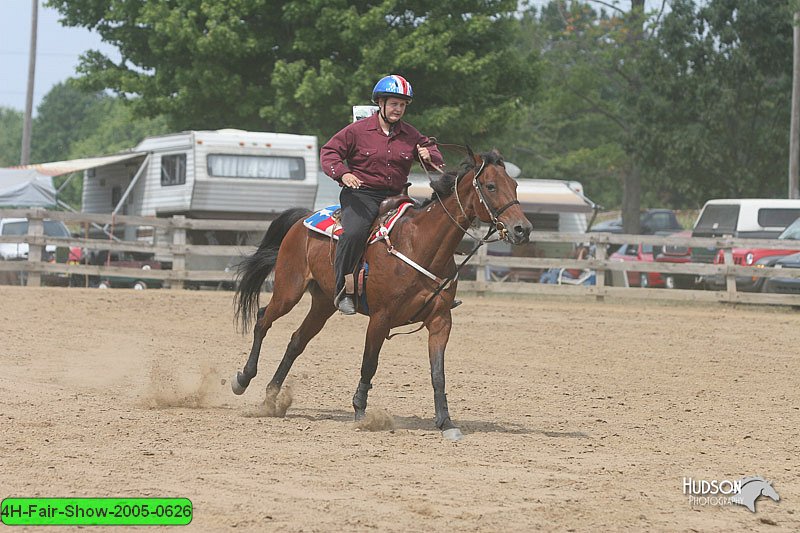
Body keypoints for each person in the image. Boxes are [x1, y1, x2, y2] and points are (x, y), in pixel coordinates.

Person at [320, 74, 444, 314]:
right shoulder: (356, 131)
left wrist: (430, 157)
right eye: (394, 103)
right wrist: (343, 174)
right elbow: (329, 153)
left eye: (402, 105)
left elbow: (435, 158)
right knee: (354, 233)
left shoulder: (412, 135)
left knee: (427, 229)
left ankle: (433, 289)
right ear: (381, 103)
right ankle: (342, 291)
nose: (398, 109)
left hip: (398, 197)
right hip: (361, 195)